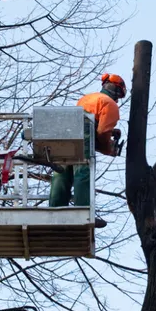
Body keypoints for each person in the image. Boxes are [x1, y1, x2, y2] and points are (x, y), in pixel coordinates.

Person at [49, 73, 126, 214]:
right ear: (117, 91)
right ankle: (82, 210)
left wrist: (111, 132)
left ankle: (55, 209)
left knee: (62, 169)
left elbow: (93, 124)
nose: (118, 100)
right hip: (83, 127)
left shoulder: (88, 98)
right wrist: (109, 149)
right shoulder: (110, 104)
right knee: (82, 169)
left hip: (65, 126)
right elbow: (102, 132)